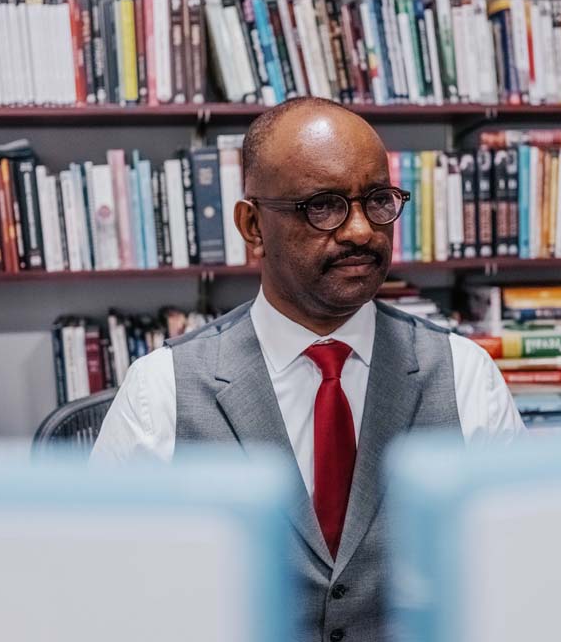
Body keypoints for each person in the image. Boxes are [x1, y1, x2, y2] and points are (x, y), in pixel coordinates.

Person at [91, 97, 524, 642]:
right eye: (324, 206)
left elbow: (519, 582)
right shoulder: (161, 391)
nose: (363, 231)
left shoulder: (465, 376)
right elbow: (108, 597)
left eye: (378, 200)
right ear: (253, 226)